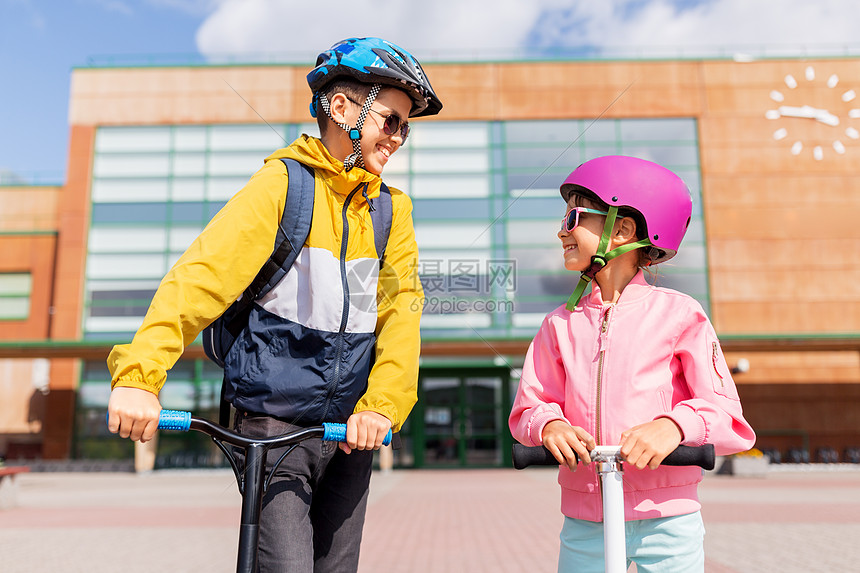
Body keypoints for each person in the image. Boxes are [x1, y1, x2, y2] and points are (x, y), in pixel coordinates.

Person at [106, 37, 442, 572]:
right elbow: (200, 279)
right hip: (273, 427)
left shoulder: (390, 213)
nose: (399, 138)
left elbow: (402, 315)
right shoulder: (284, 187)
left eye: (406, 127)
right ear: (342, 110)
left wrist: (381, 405)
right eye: (391, 120)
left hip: (350, 434)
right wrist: (139, 378)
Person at [508, 155, 756, 573]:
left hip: (669, 521)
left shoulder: (681, 315)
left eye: (573, 217)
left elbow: (727, 415)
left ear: (620, 230)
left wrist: (675, 426)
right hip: (586, 521)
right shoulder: (558, 325)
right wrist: (548, 426)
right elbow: (529, 406)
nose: (561, 230)